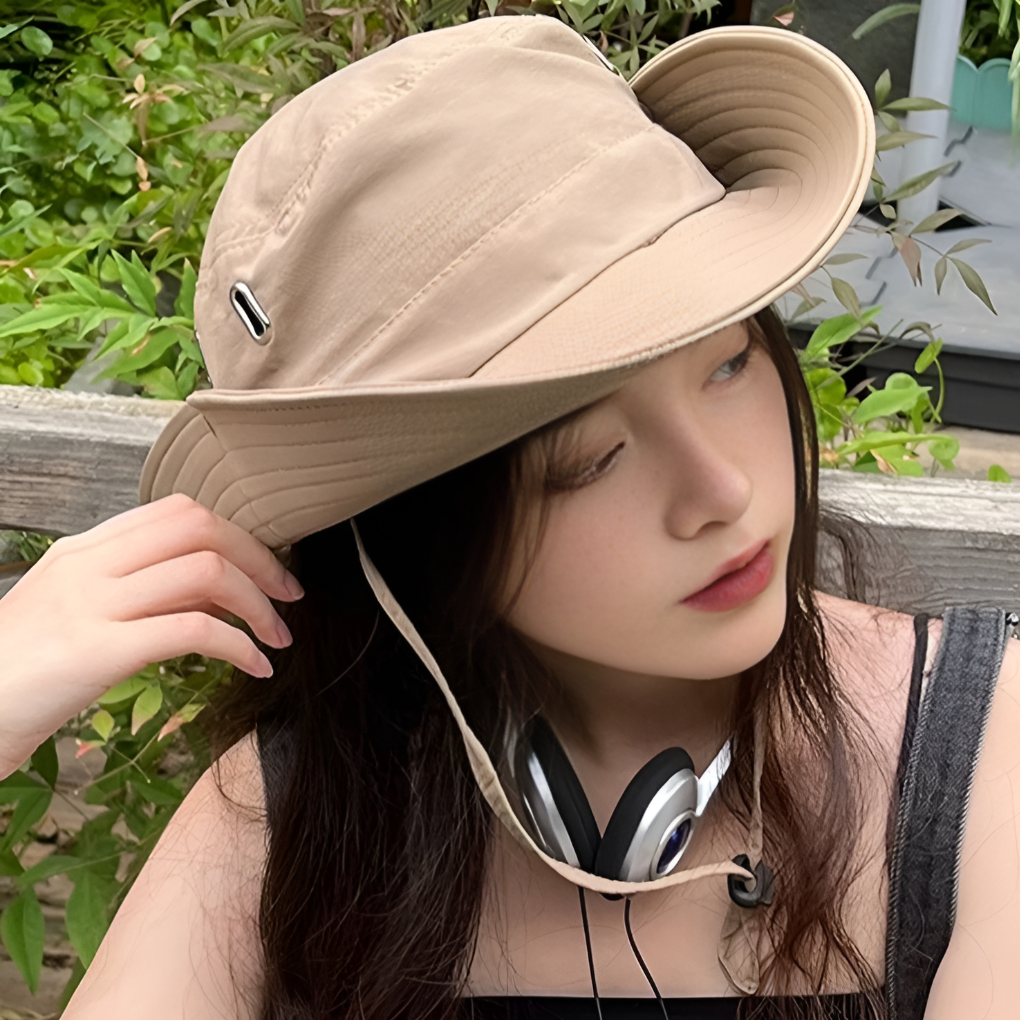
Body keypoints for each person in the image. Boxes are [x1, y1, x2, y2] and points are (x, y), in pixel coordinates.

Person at [1, 15, 1018, 1020]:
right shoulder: (303, 805)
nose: (724, 491)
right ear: (415, 529)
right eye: (586, 462)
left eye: (729, 364)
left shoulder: (986, 755)